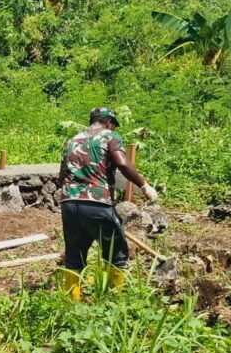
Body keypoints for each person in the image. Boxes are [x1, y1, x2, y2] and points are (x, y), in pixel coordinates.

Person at [57, 106, 158, 300]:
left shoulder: (73, 140)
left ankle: (71, 304)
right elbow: (122, 163)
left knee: (74, 255)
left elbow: (61, 177)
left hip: (69, 204)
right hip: (97, 203)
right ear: (109, 122)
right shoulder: (109, 136)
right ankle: (112, 301)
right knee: (116, 254)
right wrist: (144, 186)